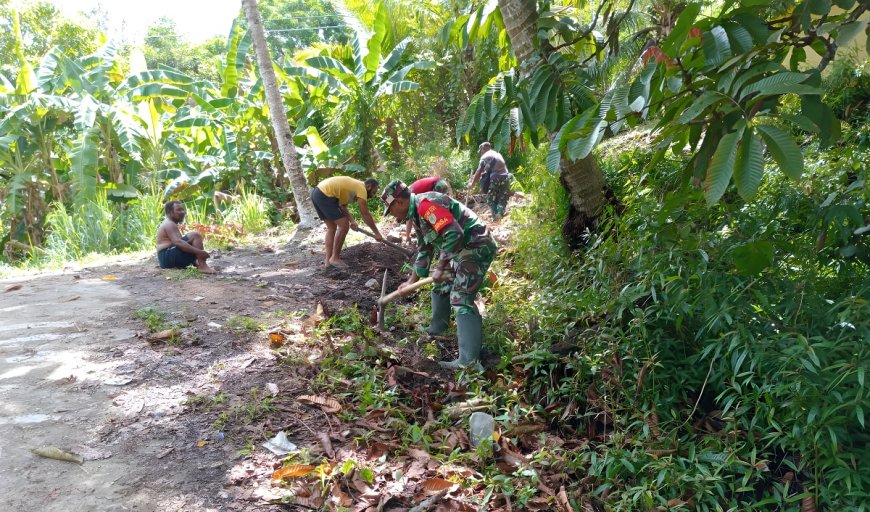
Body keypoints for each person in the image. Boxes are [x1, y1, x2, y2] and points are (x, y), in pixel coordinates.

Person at [381, 179, 497, 370]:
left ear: (399, 202)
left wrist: (442, 266)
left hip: (476, 245)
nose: (392, 215)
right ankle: (439, 327)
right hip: (460, 249)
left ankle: (469, 362)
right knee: (441, 285)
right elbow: (424, 248)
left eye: (391, 210)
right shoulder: (416, 214)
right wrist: (412, 280)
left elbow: (454, 233)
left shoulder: (426, 206)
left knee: (462, 298)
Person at [311, 176, 384, 268]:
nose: (372, 196)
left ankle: (328, 261)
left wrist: (352, 221)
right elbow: (365, 214)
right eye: (373, 192)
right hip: (325, 194)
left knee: (332, 227)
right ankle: (335, 258)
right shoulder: (362, 188)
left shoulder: (353, 187)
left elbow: (342, 206)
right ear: (368, 186)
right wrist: (377, 233)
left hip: (317, 193)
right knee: (344, 225)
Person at [156, 200, 216, 274]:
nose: (182, 212)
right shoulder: (169, 224)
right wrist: (200, 252)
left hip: (166, 258)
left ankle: (197, 262)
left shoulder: (170, 222)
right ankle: (203, 266)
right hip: (166, 257)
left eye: (182, 209)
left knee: (190, 241)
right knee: (195, 235)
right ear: (170, 212)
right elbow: (178, 242)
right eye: (179, 210)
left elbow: (179, 243)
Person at [469, 142, 513, 221]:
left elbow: (479, 171)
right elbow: (488, 169)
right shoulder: (496, 154)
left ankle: (495, 217)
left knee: (491, 199)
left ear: (483, 150)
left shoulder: (484, 156)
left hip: (495, 178)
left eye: (480, 151)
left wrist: (472, 184)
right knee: (503, 198)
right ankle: (500, 214)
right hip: (506, 177)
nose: (480, 153)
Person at [402, 176, 452, 243]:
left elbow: (409, 219)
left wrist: (407, 236)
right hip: (441, 182)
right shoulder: (407, 193)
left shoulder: (408, 197)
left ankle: (444, 232)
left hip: (438, 184)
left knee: (436, 210)